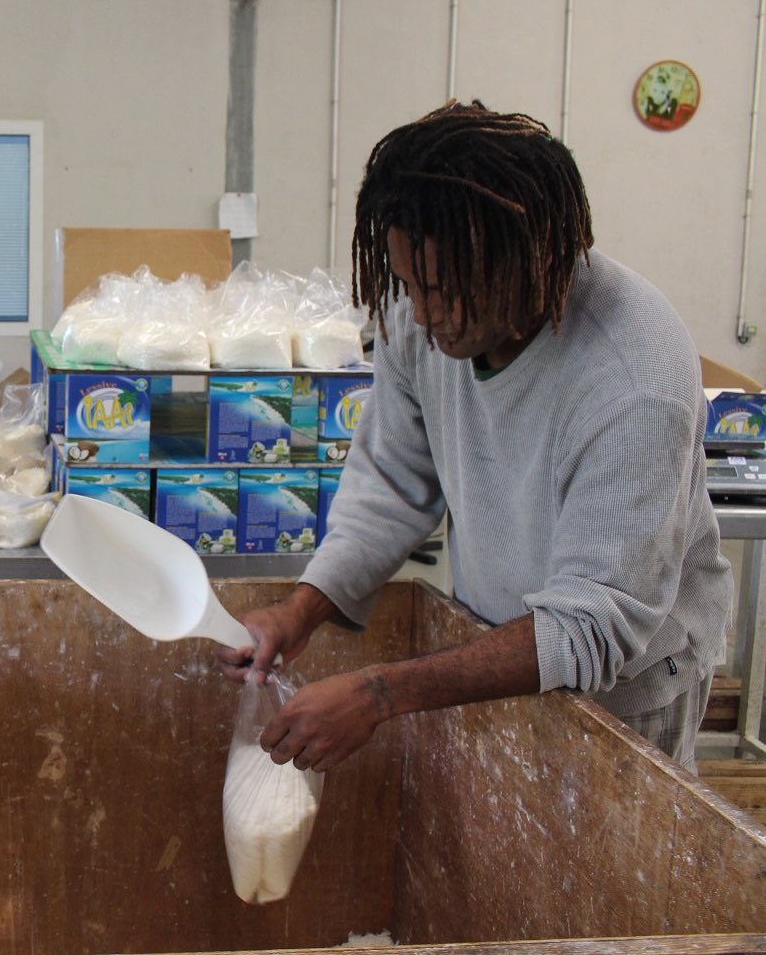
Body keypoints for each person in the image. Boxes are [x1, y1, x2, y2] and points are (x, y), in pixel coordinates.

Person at [219, 101, 732, 774]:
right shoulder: (423, 315)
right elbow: (391, 486)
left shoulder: (634, 377)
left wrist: (380, 693)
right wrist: (301, 609)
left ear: (531, 261)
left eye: (441, 290)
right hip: (500, 646)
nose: (421, 314)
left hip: (626, 685)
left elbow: (591, 627)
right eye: (408, 284)